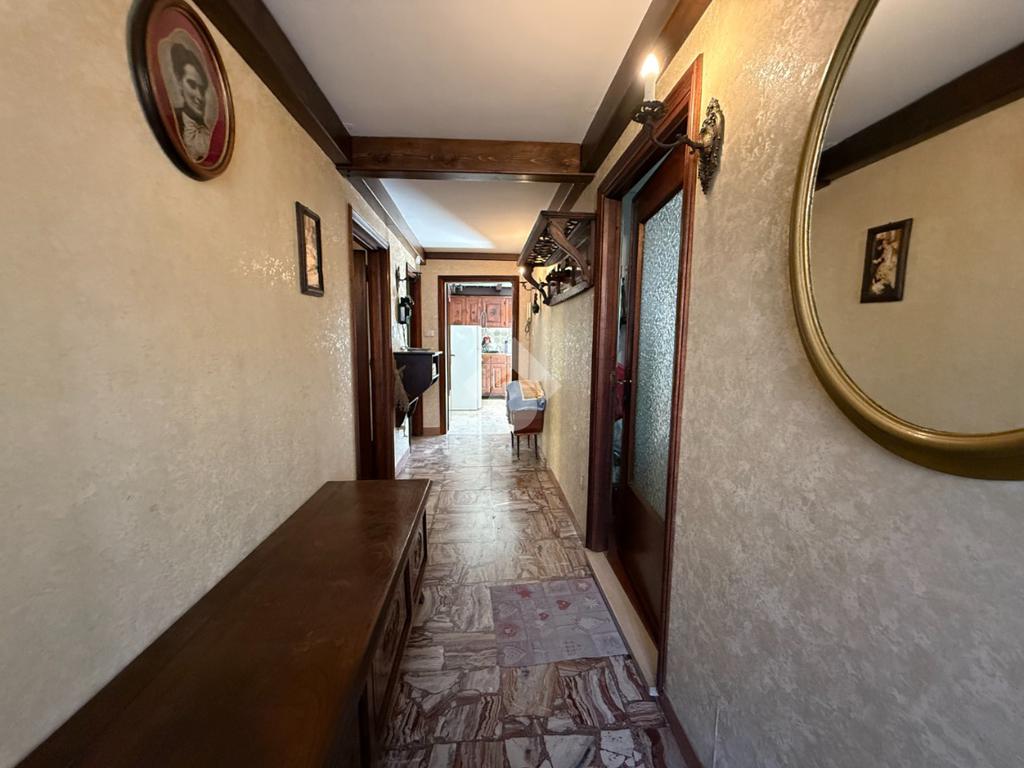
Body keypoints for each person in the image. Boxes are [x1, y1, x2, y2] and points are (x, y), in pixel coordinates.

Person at [169, 43, 211, 162]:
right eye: (192, 85)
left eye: (202, 89)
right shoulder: (171, 120)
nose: (200, 97)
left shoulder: (209, 131)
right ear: (179, 82)